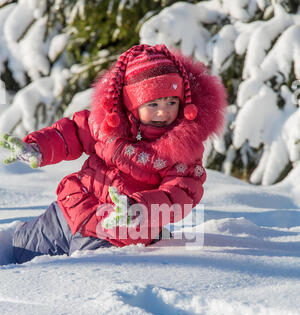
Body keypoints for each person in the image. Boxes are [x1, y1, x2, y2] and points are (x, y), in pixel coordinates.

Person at [0, 44, 227, 264]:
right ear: (131, 104)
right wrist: (37, 147)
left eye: (171, 102)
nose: (163, 111)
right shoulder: (108, 124)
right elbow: (71, 133)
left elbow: (180, 194)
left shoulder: (183, 149)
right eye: (153, 103)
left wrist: (139, 209)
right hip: (69, 209)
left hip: (113, 231)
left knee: (68, 280)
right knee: (22, 247)